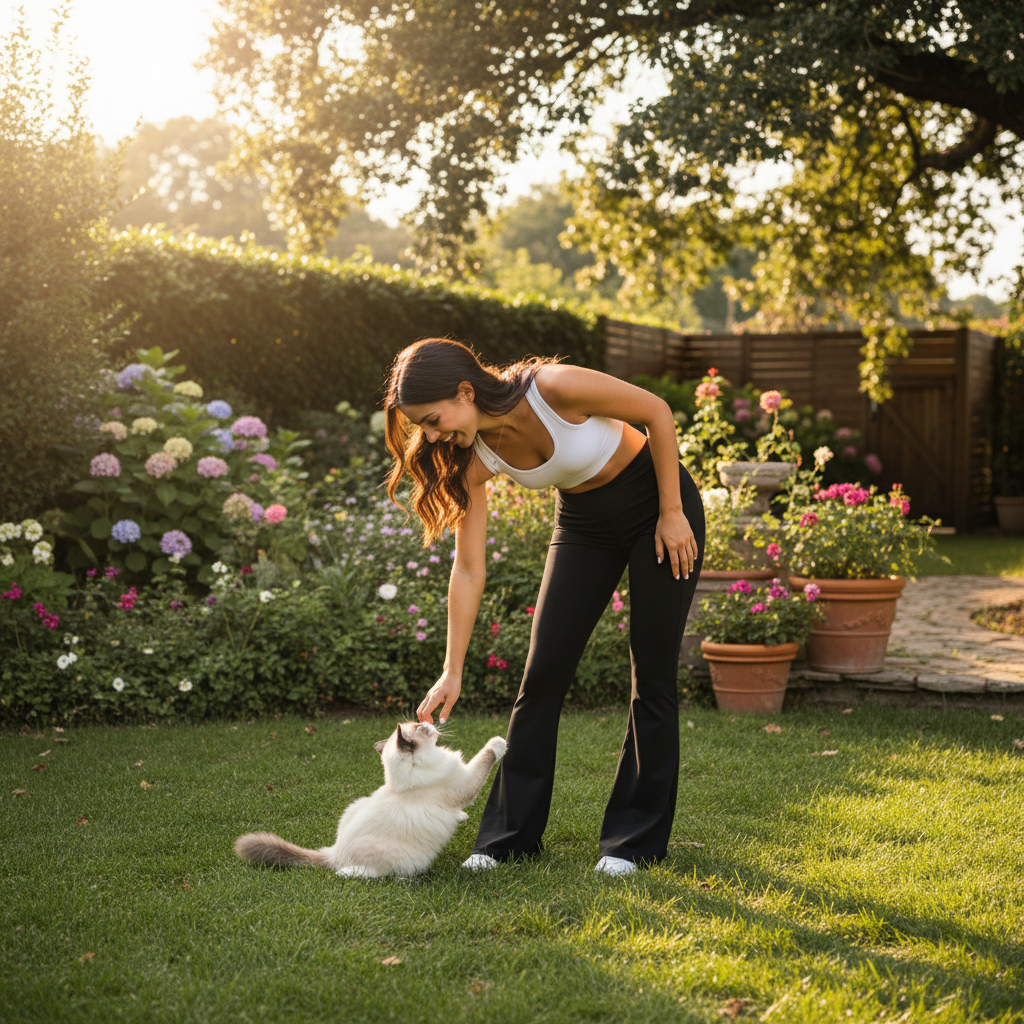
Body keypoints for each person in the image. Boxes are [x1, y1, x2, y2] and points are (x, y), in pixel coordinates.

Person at [383, 338, 705, 876]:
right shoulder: (472, 458)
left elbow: (656, 411)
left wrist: (672, 512)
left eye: (433, 420)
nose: (432, 436)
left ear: (466, 392)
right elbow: (468, 569)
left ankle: (632, 843)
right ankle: (506, 839)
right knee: (542, 676)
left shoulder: (552, 388)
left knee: (651, 674)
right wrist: (452, 669)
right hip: (582, 524)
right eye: (423, 427)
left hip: (656, 503)